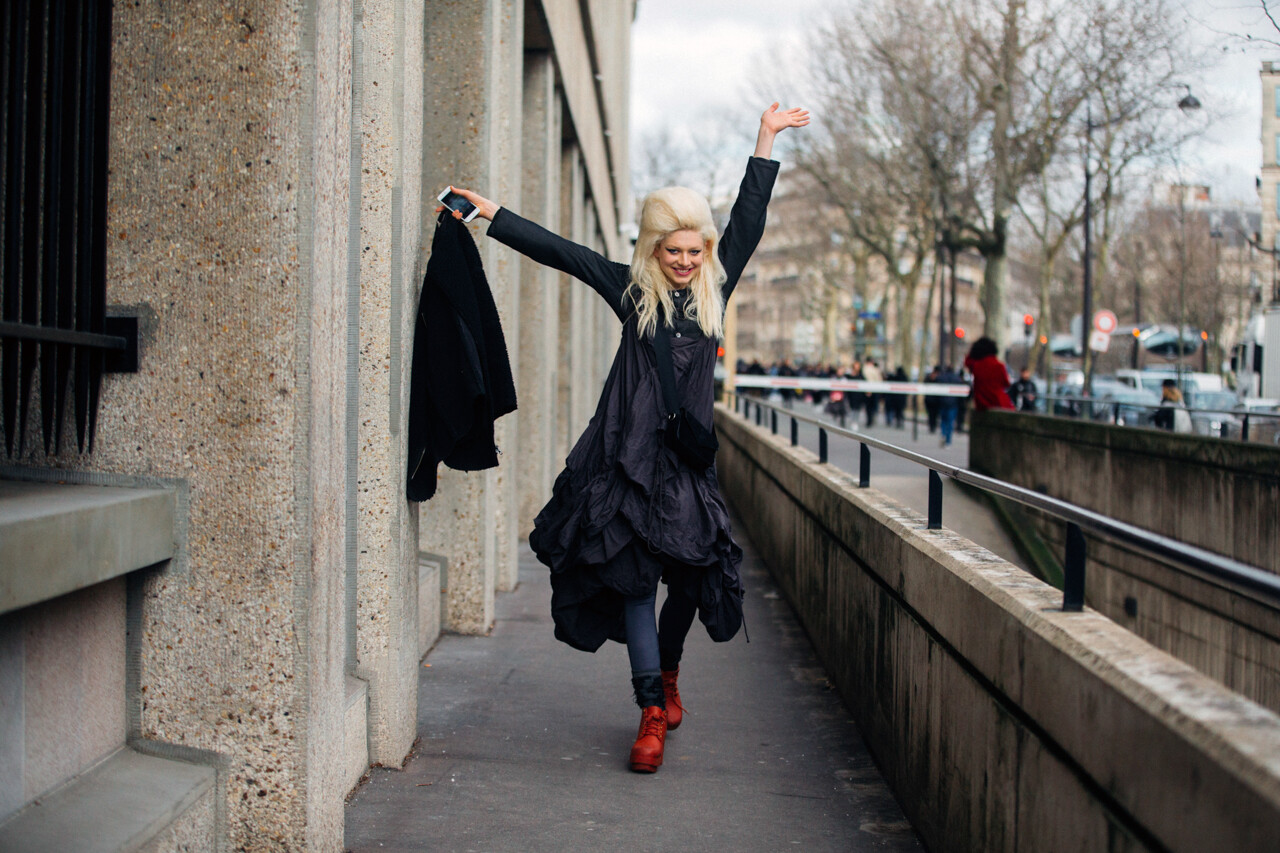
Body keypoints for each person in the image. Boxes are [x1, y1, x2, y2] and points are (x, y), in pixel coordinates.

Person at [449, 103, 809, 774]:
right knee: (638, 584)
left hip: (688, 468)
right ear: (653, 250)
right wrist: (490, 214)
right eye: (673, 251)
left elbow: (749, 220)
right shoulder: (630, 290)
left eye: (693, 251)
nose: (684, 261)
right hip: (628, 463)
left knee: (691, 583)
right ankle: (650, 711)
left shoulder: (716, 288)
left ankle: (669, 671)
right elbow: (562, 253)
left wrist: (765, 138)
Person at [963, 337, 1015, 412]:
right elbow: (1006, 383)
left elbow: (967, 362)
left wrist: (973, 353)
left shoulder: (976, 365)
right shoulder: (999, 366)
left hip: (981, 403)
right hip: (999, 403)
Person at [937, 364, 962, 446]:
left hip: (942, 402)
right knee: (950, 422)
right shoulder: (957, 379)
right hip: (953, 403)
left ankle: (943, 433)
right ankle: (948, 440)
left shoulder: (941, 378)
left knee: (943, 420)